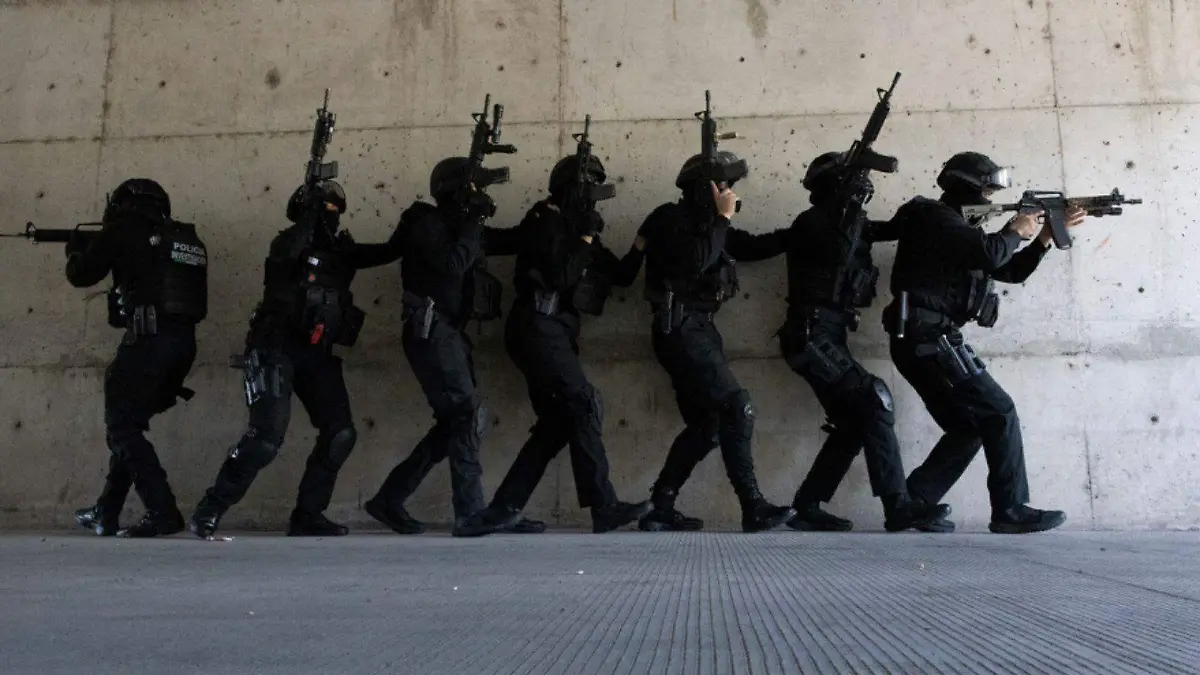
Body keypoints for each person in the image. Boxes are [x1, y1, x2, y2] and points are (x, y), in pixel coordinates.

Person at [882, 151, 1086, 534]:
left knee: (969, 427)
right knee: (999, 411)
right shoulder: (936, 218)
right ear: (968, 187)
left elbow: (1008, 270)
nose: (990, 198)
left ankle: (912, 503)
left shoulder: (959, 230)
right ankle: (1010, 510)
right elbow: (991, 253)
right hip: (929, 338)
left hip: (923, 340)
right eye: (987, 191)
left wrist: (1042, 238)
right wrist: (1015, 230)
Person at [189, 180, 398, 538]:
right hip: (274, 348)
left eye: (334, 210)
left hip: (316, 353)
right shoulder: (287, 243)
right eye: (322, 209)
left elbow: (388, 252)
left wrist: (413, 224)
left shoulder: (341, 252)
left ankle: (308, 515)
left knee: (340, 434)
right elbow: (287, 253)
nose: (330, 216)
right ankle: (209, 509)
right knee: (265, 438)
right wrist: (308, 216)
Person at [772, 152, 951, 532]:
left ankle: (808, 506)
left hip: (827, 335)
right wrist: (852, 204)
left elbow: (885, 231)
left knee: (853, 420)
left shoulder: (849, 224)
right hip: (811, 335)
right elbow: (838, 251)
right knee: (873, 399)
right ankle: (898, 506)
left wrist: (919, 211)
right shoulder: (813, 223)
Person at [479, 152, 652, 534]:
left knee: (558, 423)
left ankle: (503, 507)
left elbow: (621, 276)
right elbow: (559, 276)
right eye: (588, 189)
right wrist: (585, 237)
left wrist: (641, 242)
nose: (593, 200)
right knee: (584, 404)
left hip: (553, 333)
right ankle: (604, 507)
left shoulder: (577, 227)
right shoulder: (544, 219)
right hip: (536, 327)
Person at [634, 151, 795, 533]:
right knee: (736, 407)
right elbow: (695, 261)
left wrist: (802, 233)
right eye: (723, 185)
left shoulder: (710, 227)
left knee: (706, 425)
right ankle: (753, 507)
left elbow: (752, 247)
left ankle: (660, 506)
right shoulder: (669, 219)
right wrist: (722, 218)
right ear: (701, 187)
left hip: (699, 330)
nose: (729, 192)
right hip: (680, 328)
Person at [363, 158, 519, 538]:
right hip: (430, 330)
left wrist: (548, 221)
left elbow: (504, 242)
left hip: (446, 333)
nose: (478, 197)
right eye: (473, 189)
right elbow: (453, 264)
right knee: (466, 415)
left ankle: (389, 498)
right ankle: (470, 513)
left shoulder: (458, 228)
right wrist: (475, 220)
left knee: (455, 423)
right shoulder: (427, 223)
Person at [68, 178, 208, 537]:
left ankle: (163, 511)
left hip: (147, 343)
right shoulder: (183, 238)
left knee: (122, 428)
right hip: (182, 347)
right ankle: (106, 512)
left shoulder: (122, 230)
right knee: (129, 428)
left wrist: (75, 251)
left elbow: (81, 275)